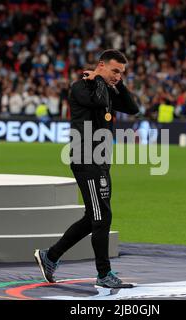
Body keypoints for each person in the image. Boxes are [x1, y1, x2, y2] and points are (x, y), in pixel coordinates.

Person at [34, 49, 139, 288]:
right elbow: (100, 100)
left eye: (121, 73)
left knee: (94, 217)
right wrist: (99, 80)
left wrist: (115, 84)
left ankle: (49, 257)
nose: (118, 76)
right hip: (85, 159)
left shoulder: (108, 87)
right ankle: (104, 275)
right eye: (114, 70)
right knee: (102, 217)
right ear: (101, 65)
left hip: (100, 161)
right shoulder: (81, 87)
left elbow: (133, 109)